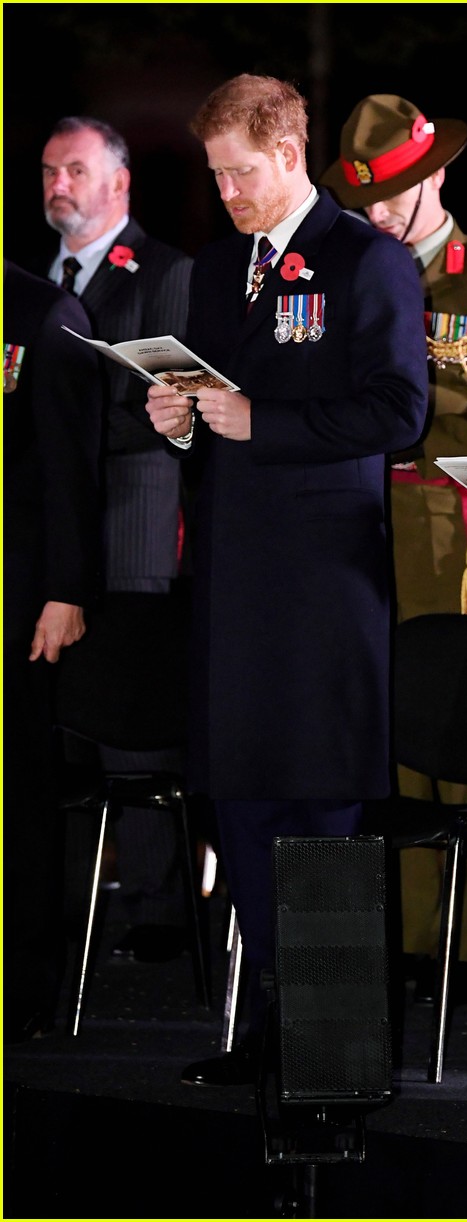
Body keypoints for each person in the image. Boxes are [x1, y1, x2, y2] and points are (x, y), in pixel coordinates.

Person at [143, 74, 428, 1086]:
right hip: (233, 585)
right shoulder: (221, 267)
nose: (225, 193)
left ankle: (335, 1055)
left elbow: (400, 410)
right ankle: (270, 1031)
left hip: (321, 589)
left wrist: (264, 423)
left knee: (319, 815)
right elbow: (212, 405)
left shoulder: (368, 259)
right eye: (215, 176)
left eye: (240, 174)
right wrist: (178, 423)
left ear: (289, 154)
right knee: (245, 809)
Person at [321, 94, 467, 1000]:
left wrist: (401, 426)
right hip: (354, 530)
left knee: (456, 743)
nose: (378, 212)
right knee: (376, 742)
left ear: (439, 176)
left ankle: (453, 948)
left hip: (454, 534)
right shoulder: (342, 276)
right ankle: (386, 937)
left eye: (394, 193)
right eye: (364, 198)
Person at [40, 116, 195, 964]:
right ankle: (64, 904)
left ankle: (157, 908)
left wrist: (52, 433)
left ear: (119, 183)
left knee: (137, 729)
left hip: (133, 532)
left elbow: (166, 412)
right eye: (48, 170)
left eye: (75, 169)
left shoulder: (165, 272)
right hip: (50, 538)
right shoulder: (31, 283)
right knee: (61, 729)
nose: (57, 184)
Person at [4, 259, 103, 1041]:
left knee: (16, 796)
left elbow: (72, 465)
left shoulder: (41, 310)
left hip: (15, 593)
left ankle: (21, 987)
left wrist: (66, 589)